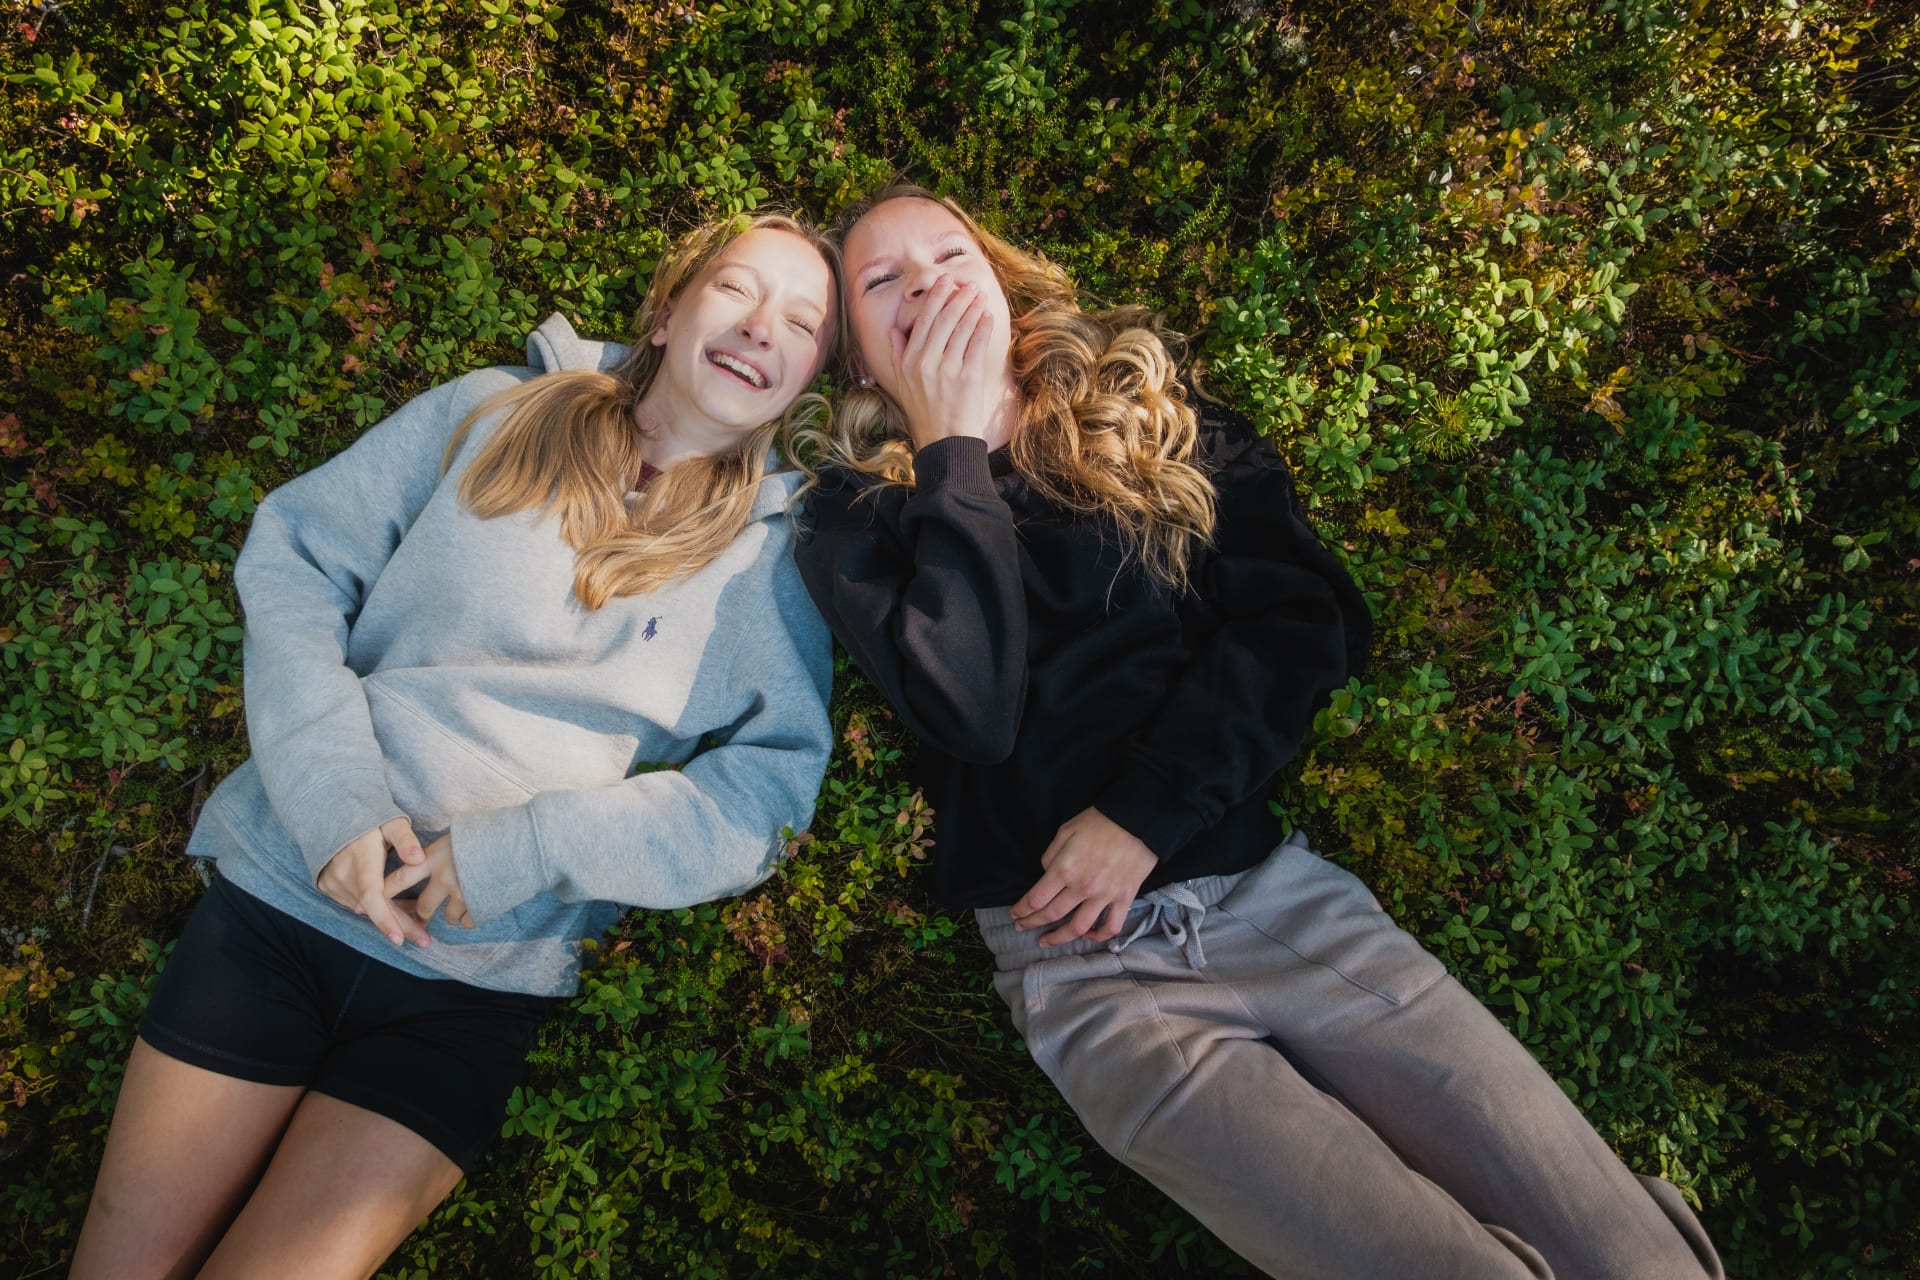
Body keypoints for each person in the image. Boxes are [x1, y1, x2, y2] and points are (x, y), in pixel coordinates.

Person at [788, 183, 1724, 1280]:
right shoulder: (853, 519)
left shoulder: (1159, 420)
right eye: (883, 280)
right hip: (1092, 979)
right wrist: (949, 449)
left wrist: (1143, 811)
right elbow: (970, 711)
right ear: (855, 356)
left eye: (949, 254)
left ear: (1001, 278)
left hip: (1276, 901)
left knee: (1631, 1251)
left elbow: (1303, 622)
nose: (929, 285)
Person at [70, 213, 840, 1280]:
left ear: (807, 379)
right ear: (668, 310)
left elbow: (766, 795)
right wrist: (334, 797)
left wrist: (529, 847)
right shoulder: (493, 411)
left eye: (802, 322)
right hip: (285, 908)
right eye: (738, 289)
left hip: (474, 990)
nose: (763, 326)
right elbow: (296, 563)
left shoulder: (774, 566)